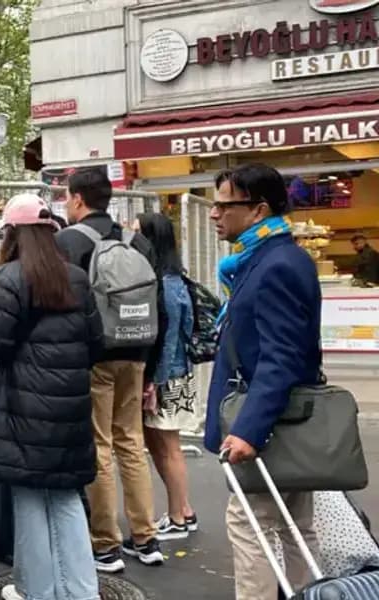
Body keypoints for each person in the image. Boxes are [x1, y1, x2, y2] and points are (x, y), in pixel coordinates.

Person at [0, 193, 104, 600]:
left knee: (30, 503)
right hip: (70, 408)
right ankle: (82, 591)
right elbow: (96, 343)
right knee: (67, 499)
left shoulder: (9, 279)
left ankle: (38, 590)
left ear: (14, 234)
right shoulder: (77, 278)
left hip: (22, 410)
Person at [207, 164, 322, 600]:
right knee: (293, 527)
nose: (214, 214)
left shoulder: (276, 265)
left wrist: (249, 430)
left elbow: (282, 356)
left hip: (270, 425)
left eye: (223, 205)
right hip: (281, 421)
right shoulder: (265, 259)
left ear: (257, 210)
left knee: (250, 523)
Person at [55, 167, 163, 571]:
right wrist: (150, 366)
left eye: (67, 197)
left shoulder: (68, 241)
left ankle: (105, 544)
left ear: (79, 199)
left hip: (94, 355)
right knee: (131, 442)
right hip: (137, 351)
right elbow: (159, 303)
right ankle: (146, 537)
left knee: (99, 446)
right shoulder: (137, 241)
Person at [136, 213, 198, 541]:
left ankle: (177, 517)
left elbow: (171, 336)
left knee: (169, 446)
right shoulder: (174, 279)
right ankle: (183, 509)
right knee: (159, 443)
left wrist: (155, 383)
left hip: (167, 377)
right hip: (173, 374)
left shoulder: (166, 284)